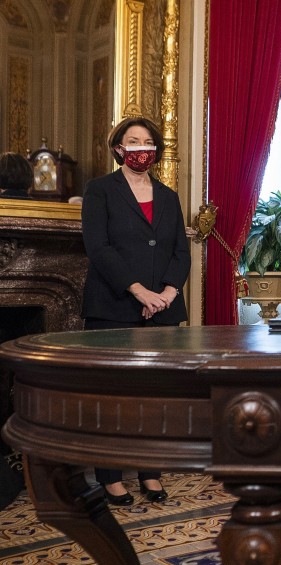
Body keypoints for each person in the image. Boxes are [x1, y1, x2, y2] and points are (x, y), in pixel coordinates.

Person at [81, 116, 190, 506]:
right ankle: (110, 478)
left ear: (156, 151)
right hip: (113, 307)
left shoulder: (168, 196)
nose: (141, 148)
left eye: (148, 142)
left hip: (162, 310)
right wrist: (140, 291)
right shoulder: (100, 190)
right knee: (113, 398)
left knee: (154, 397)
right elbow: (99, 248)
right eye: (133, 141)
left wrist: (166, 293)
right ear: (119, 149)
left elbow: (181, 250)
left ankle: (151, 473)